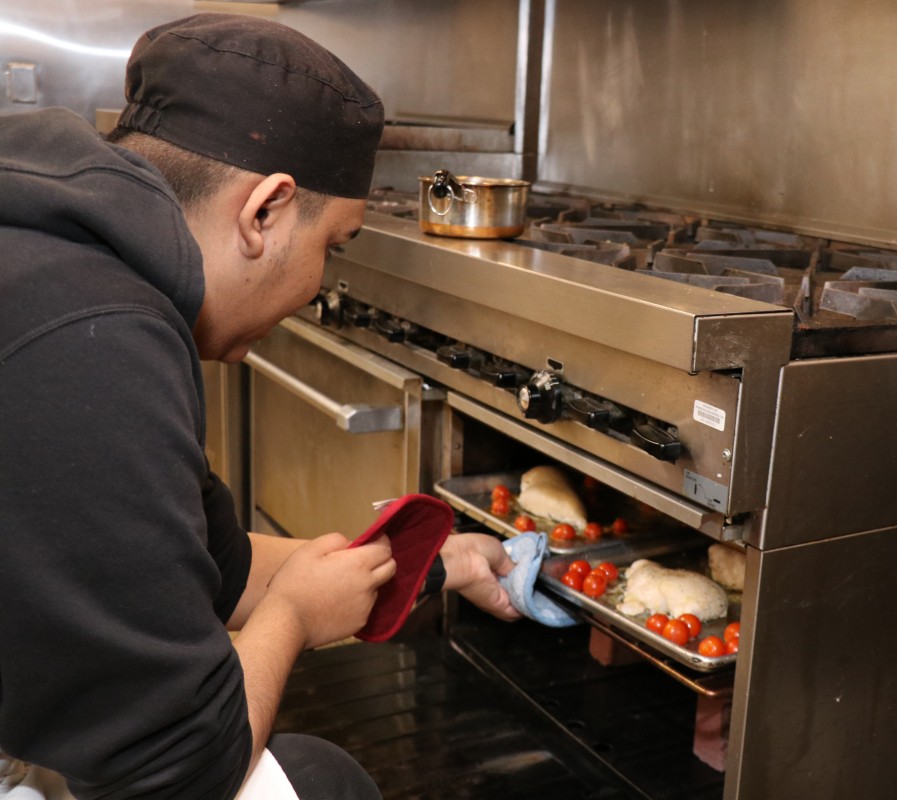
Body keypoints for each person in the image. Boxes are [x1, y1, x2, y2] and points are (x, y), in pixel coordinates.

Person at [0, 12, 519, 800]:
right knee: (326, 782)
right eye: (333, 250)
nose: (318, 292)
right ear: (264, 212)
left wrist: (439, 564)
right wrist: (295, 621)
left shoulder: (71, 260)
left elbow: (212, 564)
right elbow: (180, 772)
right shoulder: (98, 340)